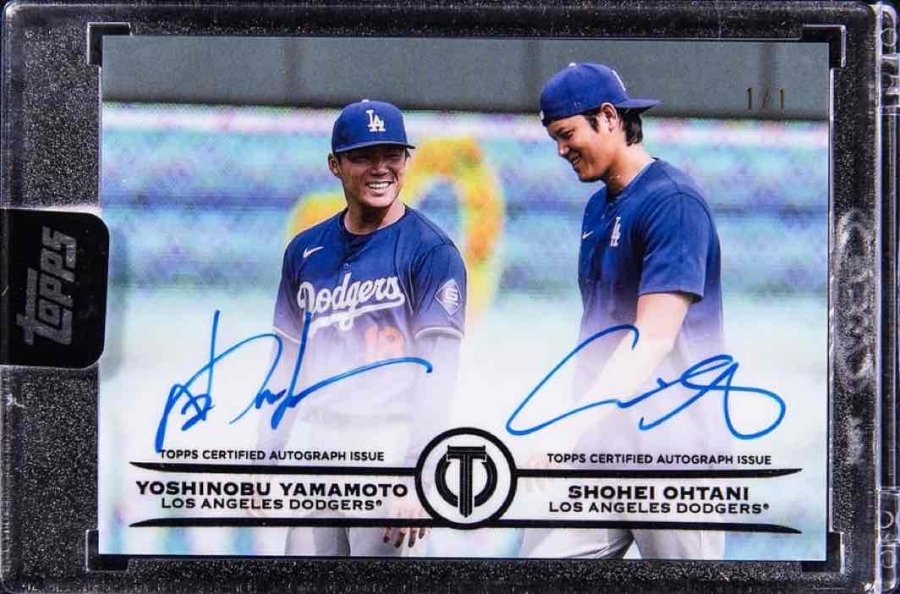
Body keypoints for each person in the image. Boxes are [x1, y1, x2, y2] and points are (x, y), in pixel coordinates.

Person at [520, 63, 726, 559]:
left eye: (566, 134)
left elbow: (651, 338)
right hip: (599, 445)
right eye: (553, 138)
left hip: (673, 451)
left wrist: (568, 428)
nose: (561, 150)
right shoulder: (598, 207)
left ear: (609, 117)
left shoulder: (672, 202)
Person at [261, 99, 467, 557]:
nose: (380, 169)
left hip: (390, 445)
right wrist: (265, 455)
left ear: (407, 161)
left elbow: (439, 374)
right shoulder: (305, 250)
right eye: (363, 156)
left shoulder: (431, 251)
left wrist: (418, 473)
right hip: (318, 446)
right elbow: (285, 363)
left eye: (392, 155)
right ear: (335, 165)